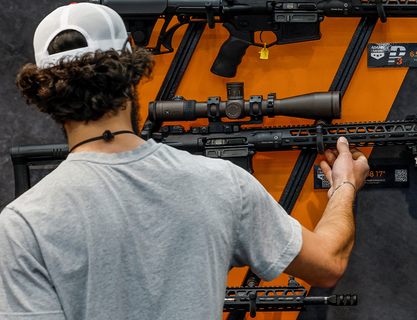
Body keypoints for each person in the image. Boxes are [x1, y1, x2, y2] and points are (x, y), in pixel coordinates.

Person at [0, 3, 369, 319]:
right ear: (132, 56)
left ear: (43, 87)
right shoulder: (222, 183)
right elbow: (328, 263)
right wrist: (344, 186)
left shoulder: (24, 224)